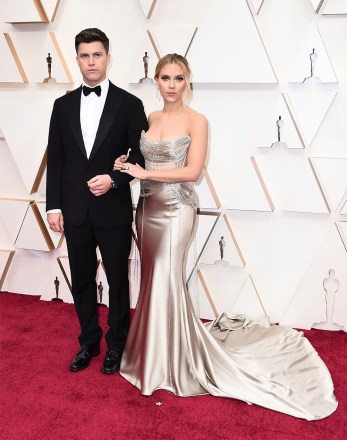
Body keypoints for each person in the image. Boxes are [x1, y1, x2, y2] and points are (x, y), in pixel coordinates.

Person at [114, 54, 337, 420]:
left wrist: (143, 172)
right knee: (154, 280)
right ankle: (149, 355)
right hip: (146, 209)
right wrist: (127, 167)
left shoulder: (197, 120)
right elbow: (141, 159)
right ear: (155, 81)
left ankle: (169, 363)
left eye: (179, 78)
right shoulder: (150, 119)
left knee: (168, 280)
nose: (171, 85)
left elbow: (192, 170)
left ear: (188, 81)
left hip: (176, 209)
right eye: (165, 78)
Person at [46, 28, 148, 374]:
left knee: (118, 279)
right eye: (84, 55)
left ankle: (117, 344)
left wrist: (115, 179)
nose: (91, 61)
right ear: (77, 59)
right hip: (74, 210)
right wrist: (54, 205)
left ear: (108, 57)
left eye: (97, 55)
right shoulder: (61, 106)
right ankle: (88, 342)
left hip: (113, 209)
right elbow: (56, 159)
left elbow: (142, 158)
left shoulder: (131, 105)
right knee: (82, 277)